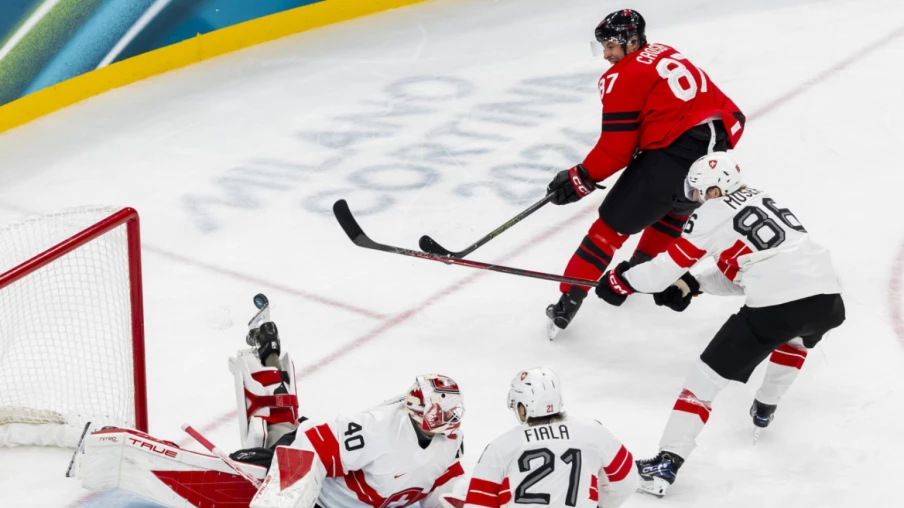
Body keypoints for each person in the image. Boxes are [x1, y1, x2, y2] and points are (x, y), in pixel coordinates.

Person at [593, 153, 845, 497]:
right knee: (796, 338)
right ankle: (766, 406)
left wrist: (623, 280)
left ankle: (665, 465)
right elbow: (750, 269)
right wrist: (693, 284)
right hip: (828, 298)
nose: (694, 199)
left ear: (714, 191)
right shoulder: (761, 197)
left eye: (698, 192)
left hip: (777, 305)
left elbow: (660, 272)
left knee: (702, 382)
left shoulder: (711, 214)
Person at [78, 301, 466, 508]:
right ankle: (111, 449)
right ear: (417, 409)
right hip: (311, 494)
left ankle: (267, 352)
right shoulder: (376, 427)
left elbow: (441, 483)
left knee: (280, 426)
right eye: (441, 412)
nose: (448, 420)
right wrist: (287, 500)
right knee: (232, 473)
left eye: (451, 414)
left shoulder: (450, 440)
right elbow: (309, 447)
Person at [544, 8, 746, 339]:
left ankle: (568, 302)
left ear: (633, 41)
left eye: (610, 46)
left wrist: (580, 176)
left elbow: (617, 148)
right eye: (603, 47)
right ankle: (639, 272)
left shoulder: (622, 76)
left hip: (672, 157)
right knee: (671, 215)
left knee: (607, 230)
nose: (606, 55)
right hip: (713, 158)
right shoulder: (664, 51)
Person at [444, 367, 636, 508]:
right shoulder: (593, 431)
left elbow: (478, 505)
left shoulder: (501, 446)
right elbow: (629, 481)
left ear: (523, 407)